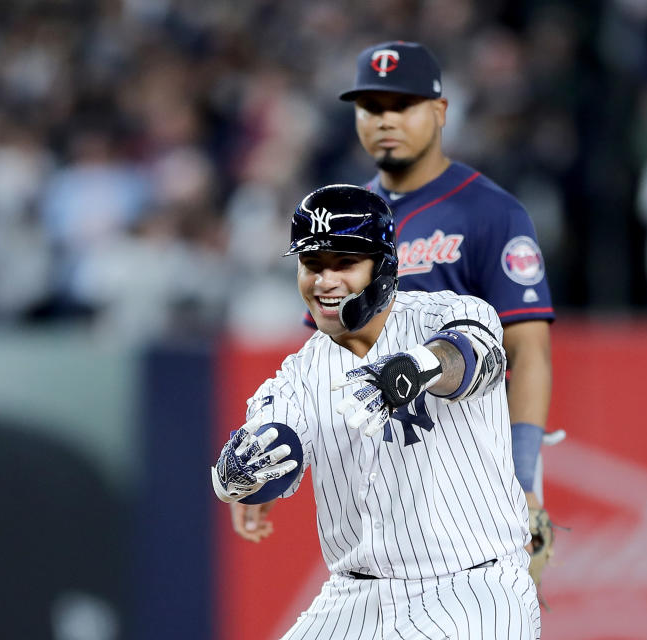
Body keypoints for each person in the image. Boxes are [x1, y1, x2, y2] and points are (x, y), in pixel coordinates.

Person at [211, 184, 541, 639]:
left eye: (345, 264)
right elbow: (266, 448)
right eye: (313, 265)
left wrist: (417, 367)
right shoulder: (300, 373)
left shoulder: (448, 313)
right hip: (353, 598)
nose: (325, 281)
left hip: (471, 590)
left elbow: (473, 357)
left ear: (383, 268)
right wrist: (240, 475)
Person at [338, 40, 563, 587]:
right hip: (378, 480)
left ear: (439, 112)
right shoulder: (344, 218)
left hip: (469, 472)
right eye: (372, 108)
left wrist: (522, 479)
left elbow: (527, 352)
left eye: (402, 105)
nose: (385, 121)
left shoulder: (490, 211)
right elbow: (323, 357)